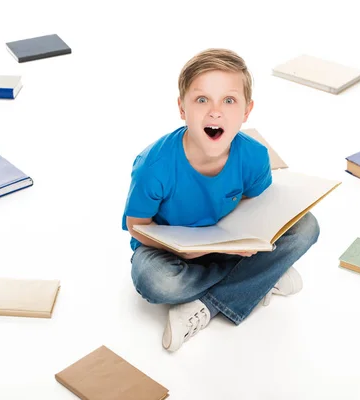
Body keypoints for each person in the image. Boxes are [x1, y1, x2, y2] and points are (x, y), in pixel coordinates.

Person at [121, 48, 320, 352]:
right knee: (154, 282)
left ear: (246, 111)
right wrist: (188, 252)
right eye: (202, 100)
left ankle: (205, 304)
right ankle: (259, 280)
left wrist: (247, 239)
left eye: (229, 100)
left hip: (230, 245)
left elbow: (258, 207)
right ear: (182, 108)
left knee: (306, 226)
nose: (215, 112)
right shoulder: (153, 166)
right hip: (170, 252)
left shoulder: (254, 155)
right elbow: (137, 226)